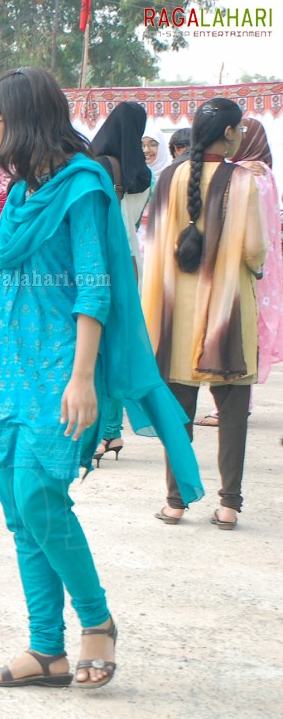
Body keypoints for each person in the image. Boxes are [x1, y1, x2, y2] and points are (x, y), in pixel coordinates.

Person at [0, 67, 201, 689]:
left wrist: (82, 380)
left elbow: (94, 289)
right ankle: (45, 647)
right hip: (10, 367)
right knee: (19, 508)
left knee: (42, 499)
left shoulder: (82, 187)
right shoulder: (21, 195)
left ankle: (96, 623)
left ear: (21, 121)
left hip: (58, 369)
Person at [141, 98, 266, 531]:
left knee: (178, 412)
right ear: (229, 134)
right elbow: (253, 250)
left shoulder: (168, 178)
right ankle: (229, 505)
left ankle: (175, 503)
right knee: (232, 411)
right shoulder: (242, 181)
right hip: (227, 311)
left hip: (175, 313)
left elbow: (151, 246)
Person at [194, 117, 282, 428]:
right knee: (251, 330)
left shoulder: (248, 175)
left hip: (247, 262)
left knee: (241, 332)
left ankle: (235, 407)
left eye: (242, 133)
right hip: (264, 263)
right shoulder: (265, 172)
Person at [89, 101, 155, 465]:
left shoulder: (99, 167)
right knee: (114, 347)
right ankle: (111, 432)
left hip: (101, 261)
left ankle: (102, 431)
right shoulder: (144, 174)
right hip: (131, 263)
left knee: (95, 349)